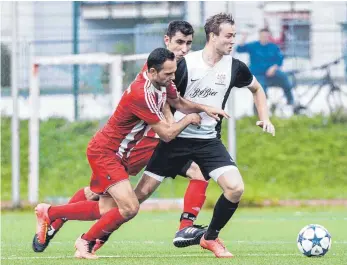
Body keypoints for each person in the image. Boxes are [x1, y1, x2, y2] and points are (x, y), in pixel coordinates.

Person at [33, 47, 229, 259]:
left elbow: (179, 102)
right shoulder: (141, 94)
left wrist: (204, 108)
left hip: (118, 154)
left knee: (105, 210)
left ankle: (51, 214)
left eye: (174, 73)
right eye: (169, 74)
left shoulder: (162, 81)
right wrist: (189, 119)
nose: (173, 78)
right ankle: (83, 240)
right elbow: (166, 134)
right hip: (106, 153)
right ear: (152, 72)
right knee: (129, 207)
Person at [133, 13, 275, 258]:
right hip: (174, 140)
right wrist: (169, 122)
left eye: (234, 36)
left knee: (235, 188)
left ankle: (209, 237)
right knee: (136, 200)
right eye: (229, 36)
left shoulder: (235, 67)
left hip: (208, 141)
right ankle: (95, 238)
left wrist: (265, 116)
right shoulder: (186, 64)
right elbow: (166, 94)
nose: (233, 41)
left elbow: (257, 89)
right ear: (213, 36)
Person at [236, 28, 295, 110]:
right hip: (257, 74)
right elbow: (239, 49)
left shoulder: (273, 47)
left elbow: (279, 61)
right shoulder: (253, 45)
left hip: (272, 73)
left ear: (269, 36)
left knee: (285, 78)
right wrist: (245, 36)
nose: (264, 37)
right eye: (262, 36)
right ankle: (257, 112)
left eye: (266, 36)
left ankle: (291, 101)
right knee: (260, 89)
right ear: (259, 36)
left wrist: (273, 68)